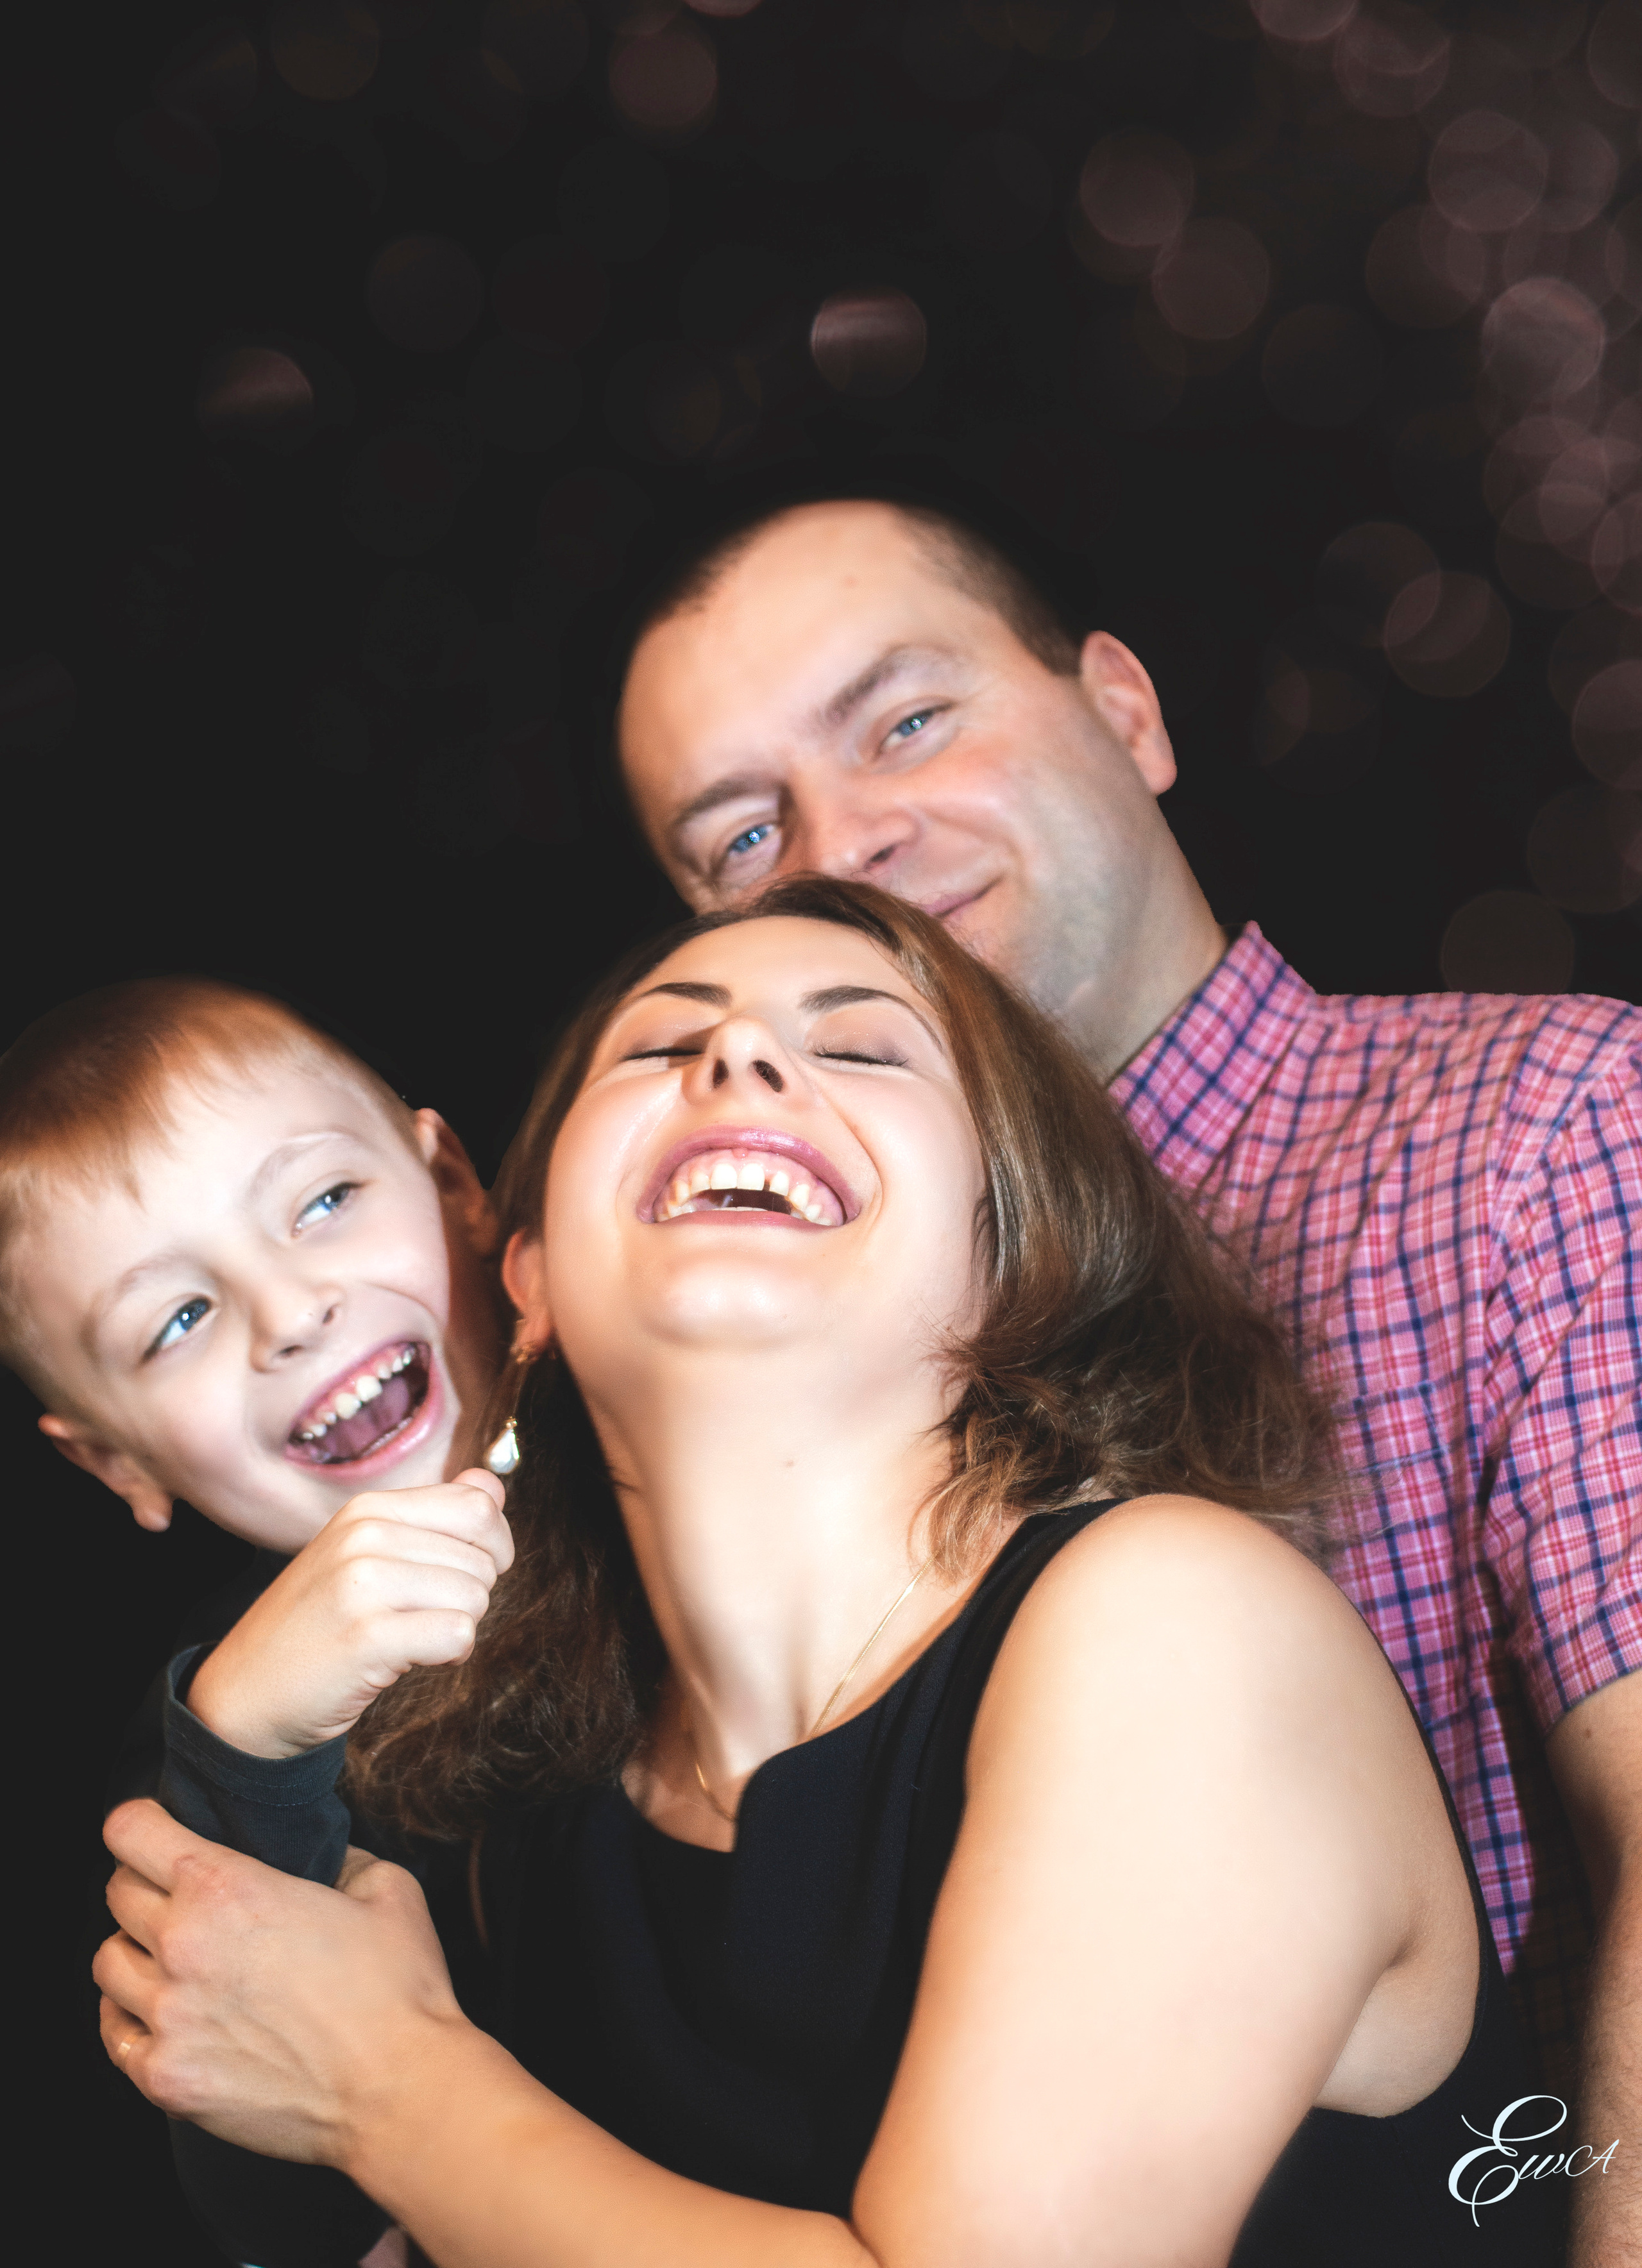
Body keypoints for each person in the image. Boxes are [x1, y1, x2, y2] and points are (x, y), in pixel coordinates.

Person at [100, 879, 1564, 2267]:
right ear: (528, 1275)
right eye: (662, 1043)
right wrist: (241, 1744)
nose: (739, 1055)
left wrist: (384, 2084)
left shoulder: (1180, 1626)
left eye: (862, 1046)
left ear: (1018, 1241)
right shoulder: (526, 1811)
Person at [610, 487, 1641, 2257]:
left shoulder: (1536, 1130)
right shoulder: (794, 1369)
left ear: (1126, 711)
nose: (844, 846)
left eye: (905, 721)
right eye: (744, 836)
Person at [0, 977, 512, 1806]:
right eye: (180, 1319)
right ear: (118, 1461)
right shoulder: (208, 1748)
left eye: (324, 1202)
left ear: (452, 1183)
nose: (290, 1315)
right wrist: (247, 1748)